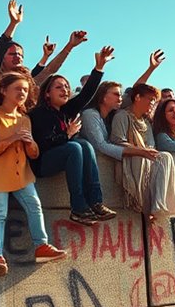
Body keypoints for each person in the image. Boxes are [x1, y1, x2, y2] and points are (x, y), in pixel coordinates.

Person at [0, 71, 68, 277]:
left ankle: (41, 246)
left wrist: (29, 142)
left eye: (26, 90)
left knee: (35, 207)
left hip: (23, 175)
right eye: (18, 88)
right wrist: (11, 140)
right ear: (3, 90)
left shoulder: (25, 119)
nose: (23, 93)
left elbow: (33, 153)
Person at [29, 35, 117, 226]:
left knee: (84, 144)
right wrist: (66, 135)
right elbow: (43, 144)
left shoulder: (67, 110)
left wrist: (99, 67)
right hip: (42, 163)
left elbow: (86, 94)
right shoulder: (39, 113)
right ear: (47, 93)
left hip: (64, 154)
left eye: (67, 87)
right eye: (58, 87)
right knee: (75, 146)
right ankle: (78, 208)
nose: (65, 89)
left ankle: (96, 202)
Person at [110, 83, 175, 221]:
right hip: (129, 160)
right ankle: (143, 203)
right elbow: (117, 142)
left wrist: (147, 151)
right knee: (142, 156)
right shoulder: (122, 116)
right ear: (138, 97)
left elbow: (151, 145)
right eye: (150, 99)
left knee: (165, 157)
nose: (152, 104)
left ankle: (159, 205)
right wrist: (141, 150)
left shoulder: (146, 122)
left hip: (146, 158)